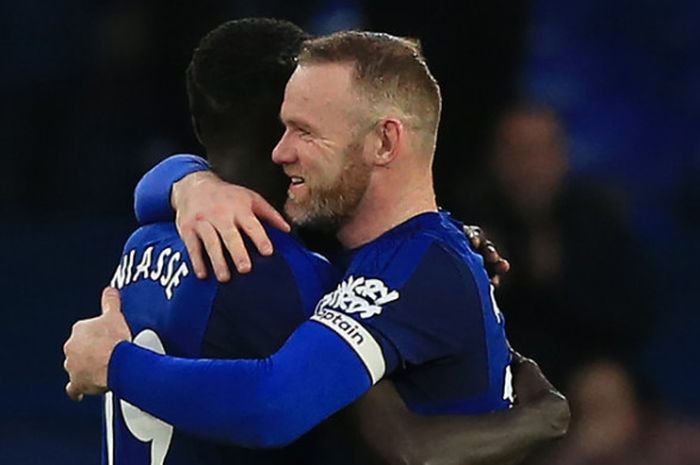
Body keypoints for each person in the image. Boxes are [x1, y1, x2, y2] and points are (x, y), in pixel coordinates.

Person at [64, 24, 568, 464]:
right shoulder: (357, 261)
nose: (282, 151)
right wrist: (189, 182)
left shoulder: (403, 265)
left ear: (385, 142)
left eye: (304, 132)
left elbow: (274, 407)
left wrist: (114, 364)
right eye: (282, 128)